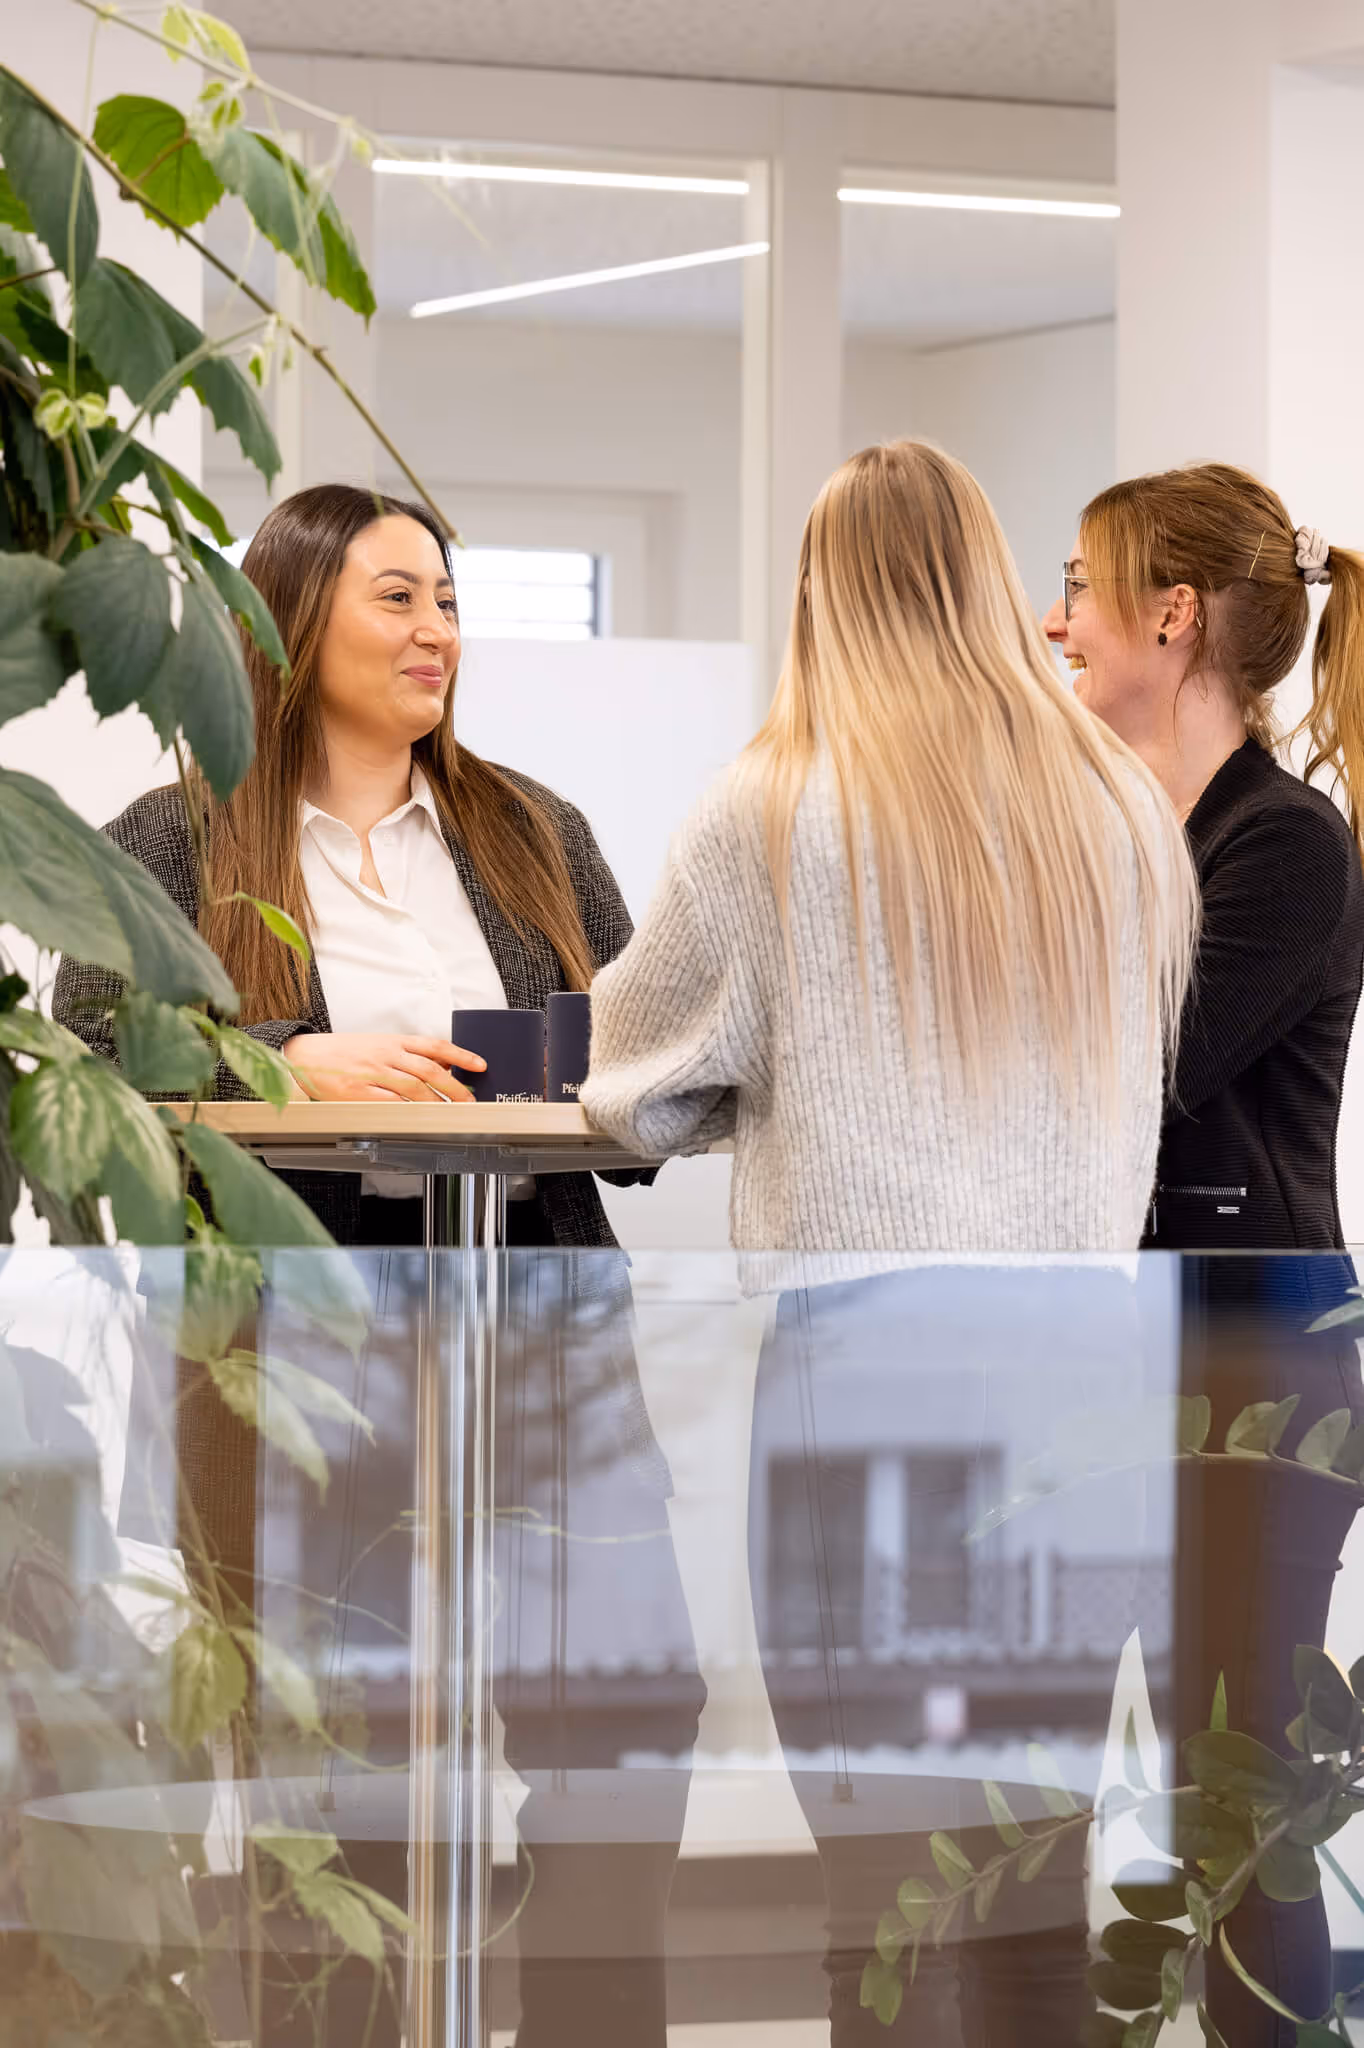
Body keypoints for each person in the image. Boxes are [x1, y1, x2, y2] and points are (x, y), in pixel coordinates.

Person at [52, 483, 702, 2048]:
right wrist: (295, 1065)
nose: (438, 634)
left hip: (542, 1339)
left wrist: (581, 1090)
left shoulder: (535, 829)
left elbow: (639, 1080)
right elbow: (85, 1051)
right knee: (330, 1765)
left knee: (628, 1720)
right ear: (291, 622)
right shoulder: (177, 832)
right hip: (305, 1360)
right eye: (397, 600)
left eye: (451, 603)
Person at [582, 440, 1200, 2042]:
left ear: (821, 593)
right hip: (1089, 1372)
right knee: (1039, 1856)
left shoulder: (775, 808)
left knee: (881, 1877)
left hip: (870, 1377)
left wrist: (761, 1098)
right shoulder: (1123, 809)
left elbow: (633, 1089)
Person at [1043, 463, 1364, 2045]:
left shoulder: (1283, 848)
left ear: (1170, 619)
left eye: (1081, 595)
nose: (1054, 626)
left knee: (1233, 1809)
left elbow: (1131, 1077)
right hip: (1121, 1366)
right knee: (1110, 1784)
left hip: (1252, 1374)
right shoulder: (1127, 832)